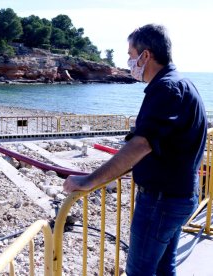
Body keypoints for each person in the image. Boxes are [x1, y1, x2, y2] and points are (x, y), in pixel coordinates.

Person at [63, 24, 207, 275]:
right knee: (163, 267)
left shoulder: (167, 89)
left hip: (162, 201)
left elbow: (141, 144)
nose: (129, 62)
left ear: (146, 55)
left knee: (139, 271)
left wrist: (88, 180)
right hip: (179, 195)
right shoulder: (181, 84)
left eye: (131, 55)